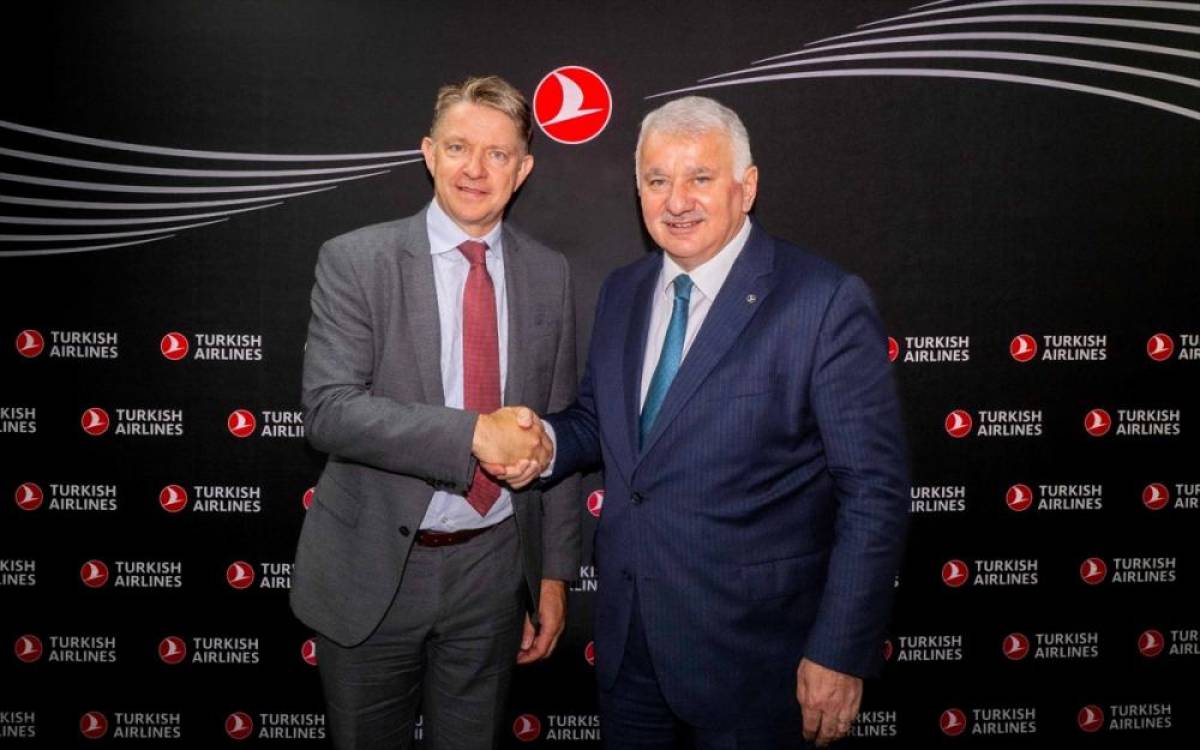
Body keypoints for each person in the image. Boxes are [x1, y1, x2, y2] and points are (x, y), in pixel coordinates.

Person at [514, 96, 909, 748]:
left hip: (758, 658)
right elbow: (600, 422)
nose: (677, 201)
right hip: (630, 647)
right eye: (657, 180)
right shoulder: (623, 291)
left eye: (700, 177)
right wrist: (543, 440)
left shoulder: (822, 301)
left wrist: (840, 650)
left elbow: (874, 491)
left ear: (745, 187)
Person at [290, 75, 579, 750]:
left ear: (523, 169)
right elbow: (329, 411)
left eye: (497, 154)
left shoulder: (550, 273)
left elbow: (557, 428)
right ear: (428, 153)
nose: (475, 169)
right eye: (457, 147)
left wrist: (553, 575)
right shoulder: (356, 260)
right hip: (371, 570)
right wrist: (472, 434)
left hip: (494, 573)